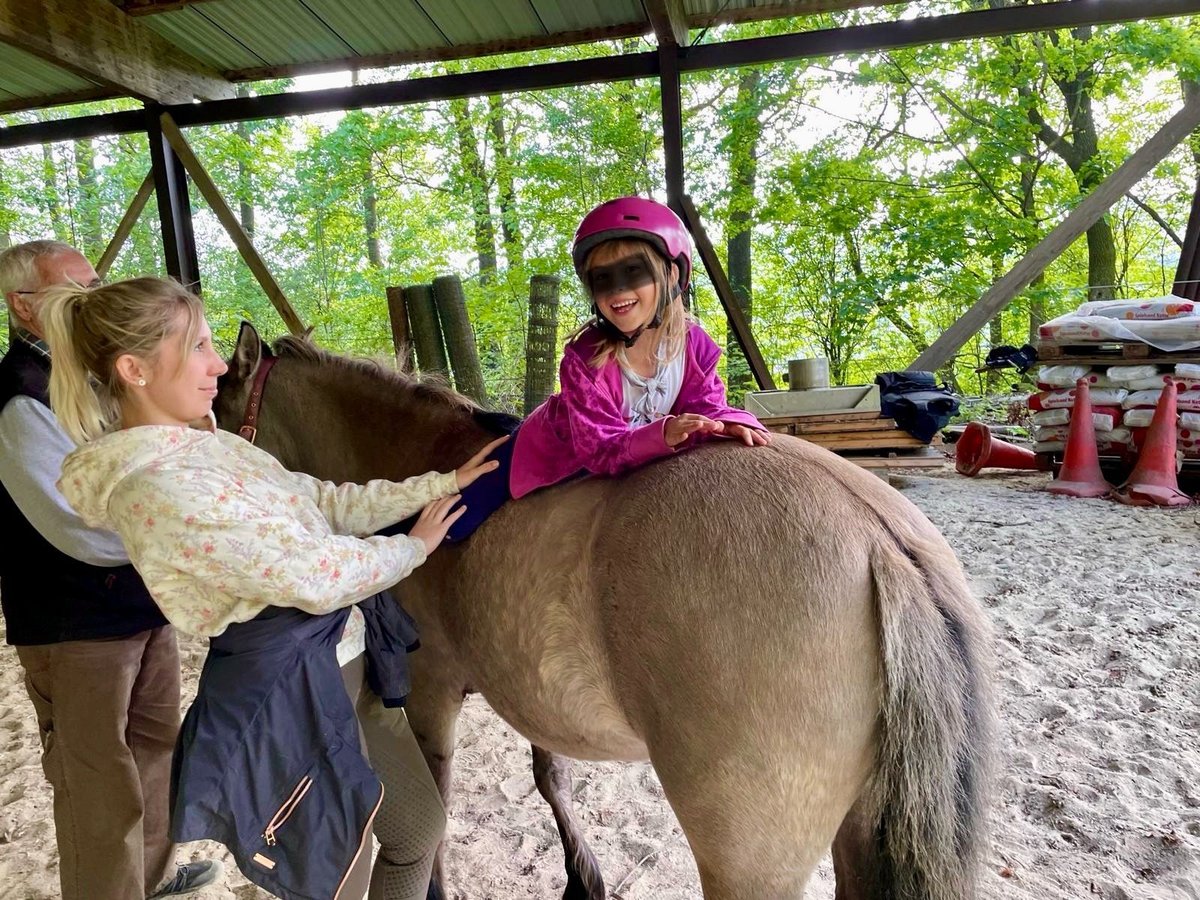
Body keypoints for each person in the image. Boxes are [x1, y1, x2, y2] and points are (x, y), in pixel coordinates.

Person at [41, 275, 503, 900]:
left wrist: (437, 483)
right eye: (199, 347)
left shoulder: (210, 449)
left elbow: (322, 501)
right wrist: (413, 548)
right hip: (287, 688)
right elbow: (313, 574)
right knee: (337, 873)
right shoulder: (156, 487)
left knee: (417, 830)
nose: (219, 365)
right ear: (135, 369)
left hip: (340, 657)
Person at [0, 241, 219, 899]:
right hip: (74, 629)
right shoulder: (18, 399)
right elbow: (77, 527)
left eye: (99, 283)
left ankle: (151, 878)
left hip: (140, 609)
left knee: (155, 752)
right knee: (97, 783)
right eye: (78, 289)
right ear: (25, 309)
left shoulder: (98, 375)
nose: (97, 298)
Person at [444, 196, 770, 540]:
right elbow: (599, 450)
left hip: (633, 444)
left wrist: (729, 424)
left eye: (633, 271)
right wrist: (663, 434)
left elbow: (706, 408)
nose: (618, 290)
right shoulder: (584, 359)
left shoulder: (695, 346)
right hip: (557, 451)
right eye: (603, 279)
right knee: (457, 520)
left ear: (672, 274)